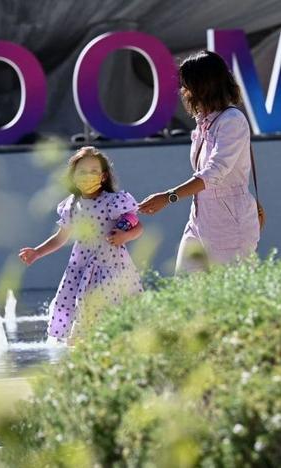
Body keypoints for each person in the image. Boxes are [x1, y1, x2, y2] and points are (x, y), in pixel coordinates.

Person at [139, 50, 260, 273]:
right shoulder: (204, 121)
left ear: (203, 86)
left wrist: (168, 197)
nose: (183, 91)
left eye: (187, 84)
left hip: (229, 222)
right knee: (185, 292)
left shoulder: (232, 121)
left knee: (226, 299)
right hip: (200, 218)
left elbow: (214, 172)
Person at [18, 147, 143, 342]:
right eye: (82, 171)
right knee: (80, 307)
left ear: (103, 176)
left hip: (111, 266)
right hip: (81, 267)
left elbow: (137, 226)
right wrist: (37, 252)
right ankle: (82, 345)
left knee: (110, 307)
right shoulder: (71, 205)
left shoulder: (113, 201)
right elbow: (61, 237)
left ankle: (115, 343)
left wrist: (125, 237)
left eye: (94, 171)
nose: (88, 176)